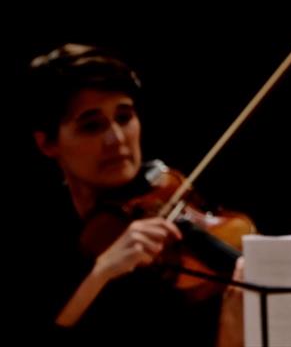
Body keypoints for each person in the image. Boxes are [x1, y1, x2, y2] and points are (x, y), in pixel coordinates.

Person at [26, 43, 243, 346]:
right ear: (47, 144)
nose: (116, 139)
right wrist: (101, 273)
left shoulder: (166, 199)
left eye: (124, 117)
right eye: (91, 126)